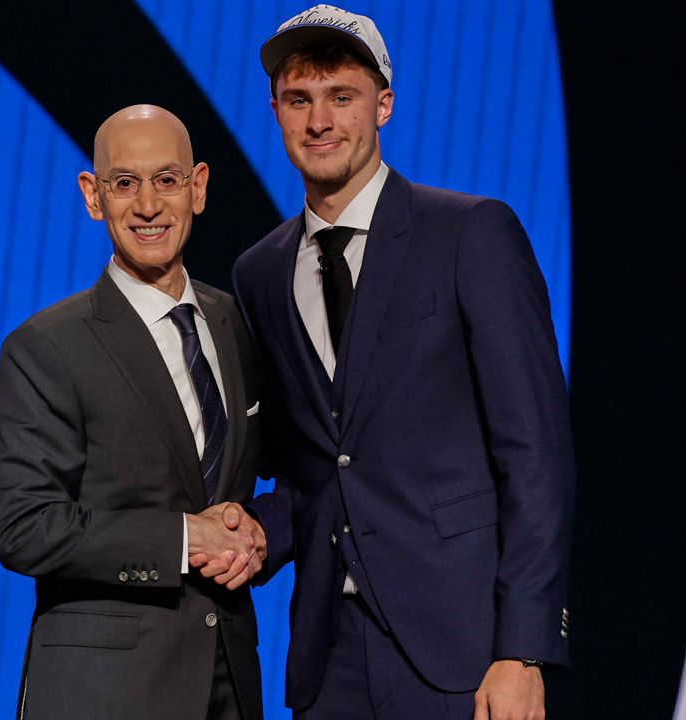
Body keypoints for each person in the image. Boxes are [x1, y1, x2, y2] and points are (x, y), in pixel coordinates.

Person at [230, 6, 577, 720]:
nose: (320, 120)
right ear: (275, 112)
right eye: (300, 100)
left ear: (383, 104)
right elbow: (316, 468)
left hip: (464, 653)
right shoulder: (260, 272)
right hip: (328, 658)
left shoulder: (470, 233)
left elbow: (535, 454)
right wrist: (254, 533)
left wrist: (523, 650)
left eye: (342, 97)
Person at [0, 105, 268, 720]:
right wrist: (182, 537)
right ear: (93, 196)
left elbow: (279, 474)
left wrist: (257, 534)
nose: (147, 206)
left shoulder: (236, 326)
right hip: (103, 691)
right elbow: (24, 526)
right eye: (124, 183)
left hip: (229, 680)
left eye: (166, 180)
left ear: (198, 188)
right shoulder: (47, 346)